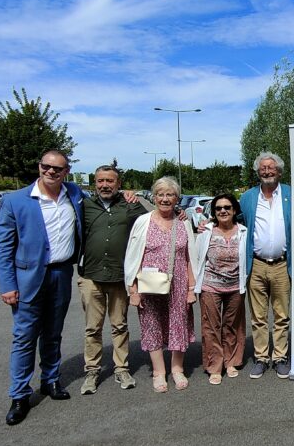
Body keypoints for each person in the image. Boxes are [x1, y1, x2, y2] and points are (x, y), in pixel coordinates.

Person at [0, 149, 85, 426]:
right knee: (24, 337)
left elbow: (105, 199)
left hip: (61, 274)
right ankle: (19, 395)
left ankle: (51, 380)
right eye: (47, 166)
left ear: (66, 172)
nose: (51, 172)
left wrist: (129, 195)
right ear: (39, 166)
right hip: (28, 279)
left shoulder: (75, 194)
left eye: (58, 168)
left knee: (53, 333)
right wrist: (7, 285)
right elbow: (3, 247)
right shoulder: (16, 200)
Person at [77, 165, 147, 395]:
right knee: (92, 328)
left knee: (119, 325)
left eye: (110, 181)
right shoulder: (84, 206)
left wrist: (181, 214)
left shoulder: (129, 205)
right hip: (91, 276)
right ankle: (92, 371)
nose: (105, 185)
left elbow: (154, 220)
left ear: (118, 184)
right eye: (101, 181)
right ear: (95, 183)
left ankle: (121, 368)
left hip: (119, 276)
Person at [124, 177, 197, 393]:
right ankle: (158, 372)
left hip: (179, 283)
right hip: (149, 284)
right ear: (154, 197)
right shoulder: (143, 221)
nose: (165, 199)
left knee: (179, 324)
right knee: (152, 325)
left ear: (177, 198)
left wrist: (191, 289)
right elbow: (133, 256)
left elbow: (190, 257)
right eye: (161, 194)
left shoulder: (183, 222)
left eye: (170, 195)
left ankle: (177, 369)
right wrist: (133, 289)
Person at [239, 152, 292, 379]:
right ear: (258, 172)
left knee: (282, 315)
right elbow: (233, 221)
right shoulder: (248, 197)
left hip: (282, 264)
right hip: (257, 264)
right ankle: (261, 357)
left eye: (271, 168)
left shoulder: (291, 194)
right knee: (258, 316)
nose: (267, 171)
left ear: (279, 171)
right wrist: (206, 225)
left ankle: (280, 357)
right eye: (263, 168)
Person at [194, 192, 248, 384]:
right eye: (218, 208)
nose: (223, 211)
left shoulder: (243, 231)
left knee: (232, 325)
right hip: (210, 285)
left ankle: (230, 361)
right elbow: (197, 257)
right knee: (211, 327)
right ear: (214, 212)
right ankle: (215, 366)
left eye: (227, 207)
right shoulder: (206, 231)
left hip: (235, 286)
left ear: (234, 210)